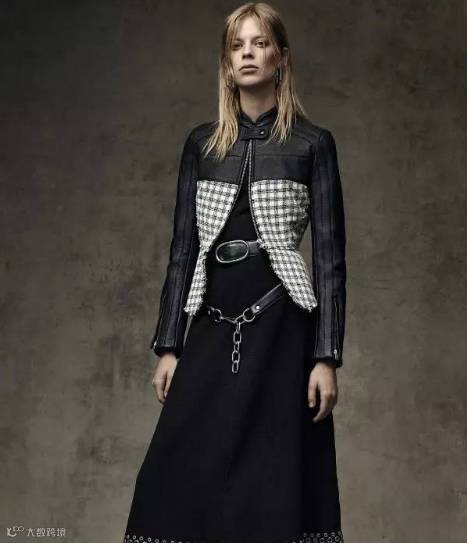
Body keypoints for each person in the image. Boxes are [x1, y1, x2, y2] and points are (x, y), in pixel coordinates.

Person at [123, 3, 347, 543]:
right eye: (237, 45)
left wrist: (326, 357)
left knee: (274, 473)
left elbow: (330, 259)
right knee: (174, 473)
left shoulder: (312, 144)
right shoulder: (201, 144)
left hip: (283, 331)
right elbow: (183, 249)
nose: (248, 54)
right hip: (211, 321)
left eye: (260, 43)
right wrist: (169, 345)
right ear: (226, 63)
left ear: (281, 57)